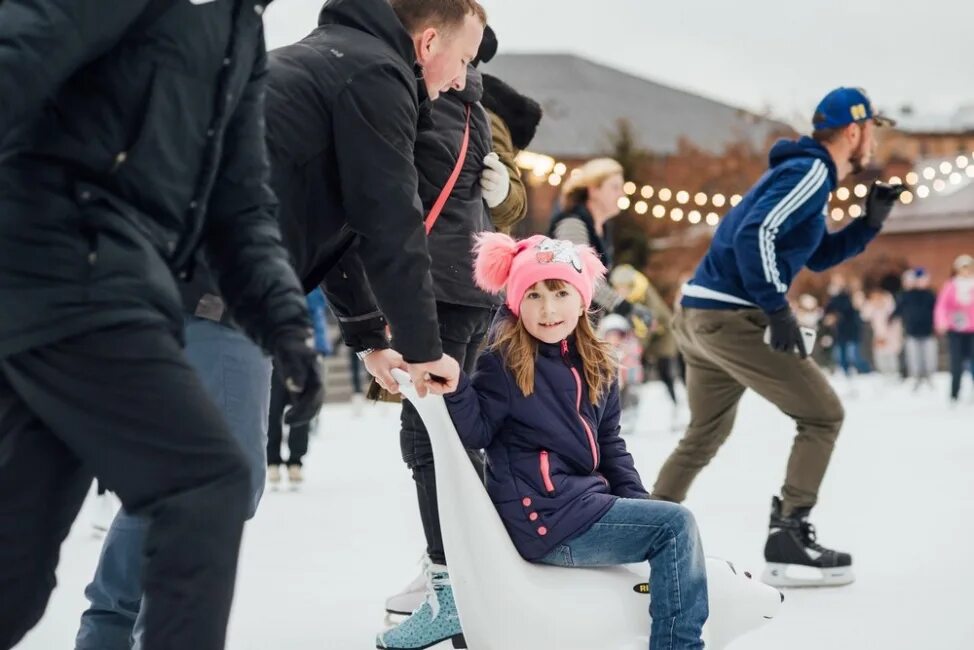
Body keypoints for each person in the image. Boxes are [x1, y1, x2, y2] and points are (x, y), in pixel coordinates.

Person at [0, 3, 324, 649]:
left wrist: (285, 322)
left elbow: (241, 201)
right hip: (61, 262)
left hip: (109, 283)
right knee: (206, 480)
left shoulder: (240, 31)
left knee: (16, 576)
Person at [653, 87, 905, 587]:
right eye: (873, 129)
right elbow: (757, 233)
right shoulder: (811, 172)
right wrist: (776, 308)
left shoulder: (806, 175)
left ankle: (644, 527)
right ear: (854, 131)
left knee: (705, 433)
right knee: (823, 414)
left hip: (702, 318)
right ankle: (789, 535)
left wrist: (867, 223)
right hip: (731, 320)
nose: (874, 141)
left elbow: (814, 255)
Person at [440, 233, 708, 650]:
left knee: (666, 519)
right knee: (676, 526)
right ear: (515, 303)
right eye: (533, 295)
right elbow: (476, 432)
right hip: (544, 519)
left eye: (560, 292)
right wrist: (457, 385)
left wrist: (641, 507)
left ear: (582, 300)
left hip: (584, 506)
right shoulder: (504, 362)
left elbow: (611, 446)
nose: (548, 309)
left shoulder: (598, 362)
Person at [264, 0, 488, 404]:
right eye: (465, 59)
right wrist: (423, 350)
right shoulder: (377, 76)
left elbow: (345, 217)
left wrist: (370, 339)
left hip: (189, 276)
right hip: (217, 286)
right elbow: (389, 221)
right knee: (223, 464)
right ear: (430, 42)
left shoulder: (337, 59)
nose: (461, 79)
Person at [549, 159, 653, 323]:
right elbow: (579, 275)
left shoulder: (603, 228)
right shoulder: (573, 224)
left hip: (586, 322)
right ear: (594, 190)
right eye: (615, 187)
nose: (622, 194)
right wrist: (623, 307)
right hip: (563, 323)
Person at [267, 288, 331, 488]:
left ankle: (295, 460)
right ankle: (273, 461)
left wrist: (319, 348)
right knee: (272, 408)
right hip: (273, 350)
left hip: (303, 348)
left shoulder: (308, 277)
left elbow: (316, 310)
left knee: (302, 404)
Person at [609, 265, 680, 409]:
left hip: (663, 333)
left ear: (629, 285)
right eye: (616, 287)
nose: (617, 291)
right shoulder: (627, 297)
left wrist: (639, 345)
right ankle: (634, 407)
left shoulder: (645, 295)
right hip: (646, 336)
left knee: (664, 369)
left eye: (620, 287)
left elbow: (649, 324)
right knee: (638, 371)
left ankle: (675, 405)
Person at [935, 254, 974, 404]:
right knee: (956, 363)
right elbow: (941, 307)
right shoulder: (950, 286)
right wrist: (942, 322)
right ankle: (954, 393)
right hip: (955, 329)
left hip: (973, 330)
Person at [894, 268, 938, 390]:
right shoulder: (905, 295)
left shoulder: (929, 294)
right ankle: (916, 378)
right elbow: (898, 310)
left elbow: (936, 310)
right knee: (914, 358)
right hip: (911, 331)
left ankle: (929, 377)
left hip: (928, 331)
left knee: (928, 357)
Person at [824, 274, 870, 377]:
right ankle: (846, 374)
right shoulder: (833, 298)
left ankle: (866, 372)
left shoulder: (849, 295)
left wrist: (836, 315)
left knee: (853, 355)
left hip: (852, 328)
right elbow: (828, 310)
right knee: (841, 355)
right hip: (840, 330)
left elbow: (849, 310)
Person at [860, 288, 902, 380]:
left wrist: (887, 337)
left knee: (891, 356)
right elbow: (864, 315)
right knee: (880, 355)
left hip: (891, 336)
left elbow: (894, 322)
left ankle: (894, 374)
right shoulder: (873, 310)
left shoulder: (889, 308)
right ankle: (883, 374)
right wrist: (870, 304)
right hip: (878, 336)